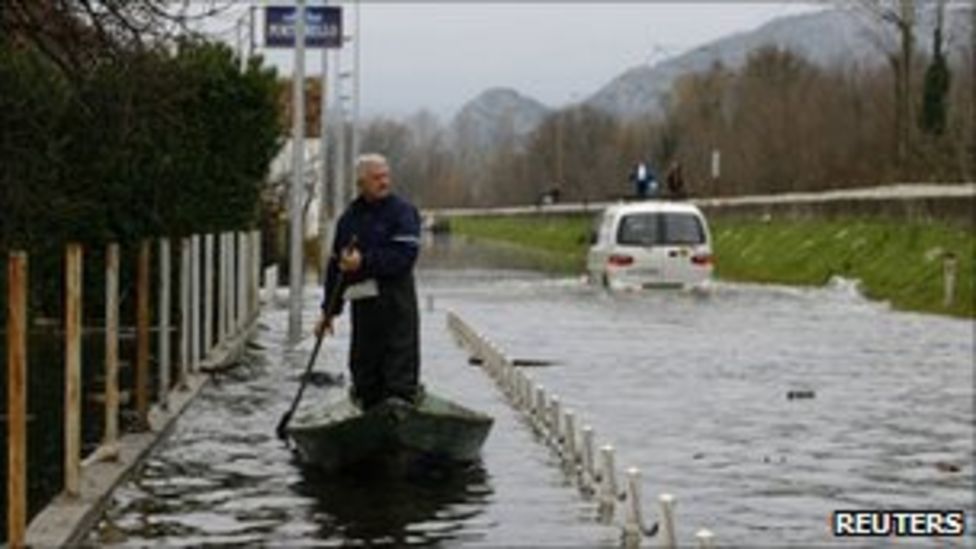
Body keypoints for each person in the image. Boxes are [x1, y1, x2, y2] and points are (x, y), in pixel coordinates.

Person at [315, 153, 423, 410]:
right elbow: (336, 268)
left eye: (386, 176)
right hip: (364, 309)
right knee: (365, 369)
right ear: (361, 183)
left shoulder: (403, 213)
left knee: (398, 366)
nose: (384, 182)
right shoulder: (349, 219)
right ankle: (367, 406)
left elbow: (404, 257)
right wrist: (329, 310)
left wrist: (364, 262)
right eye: (376, 178)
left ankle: (398, 408)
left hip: (396, 304)